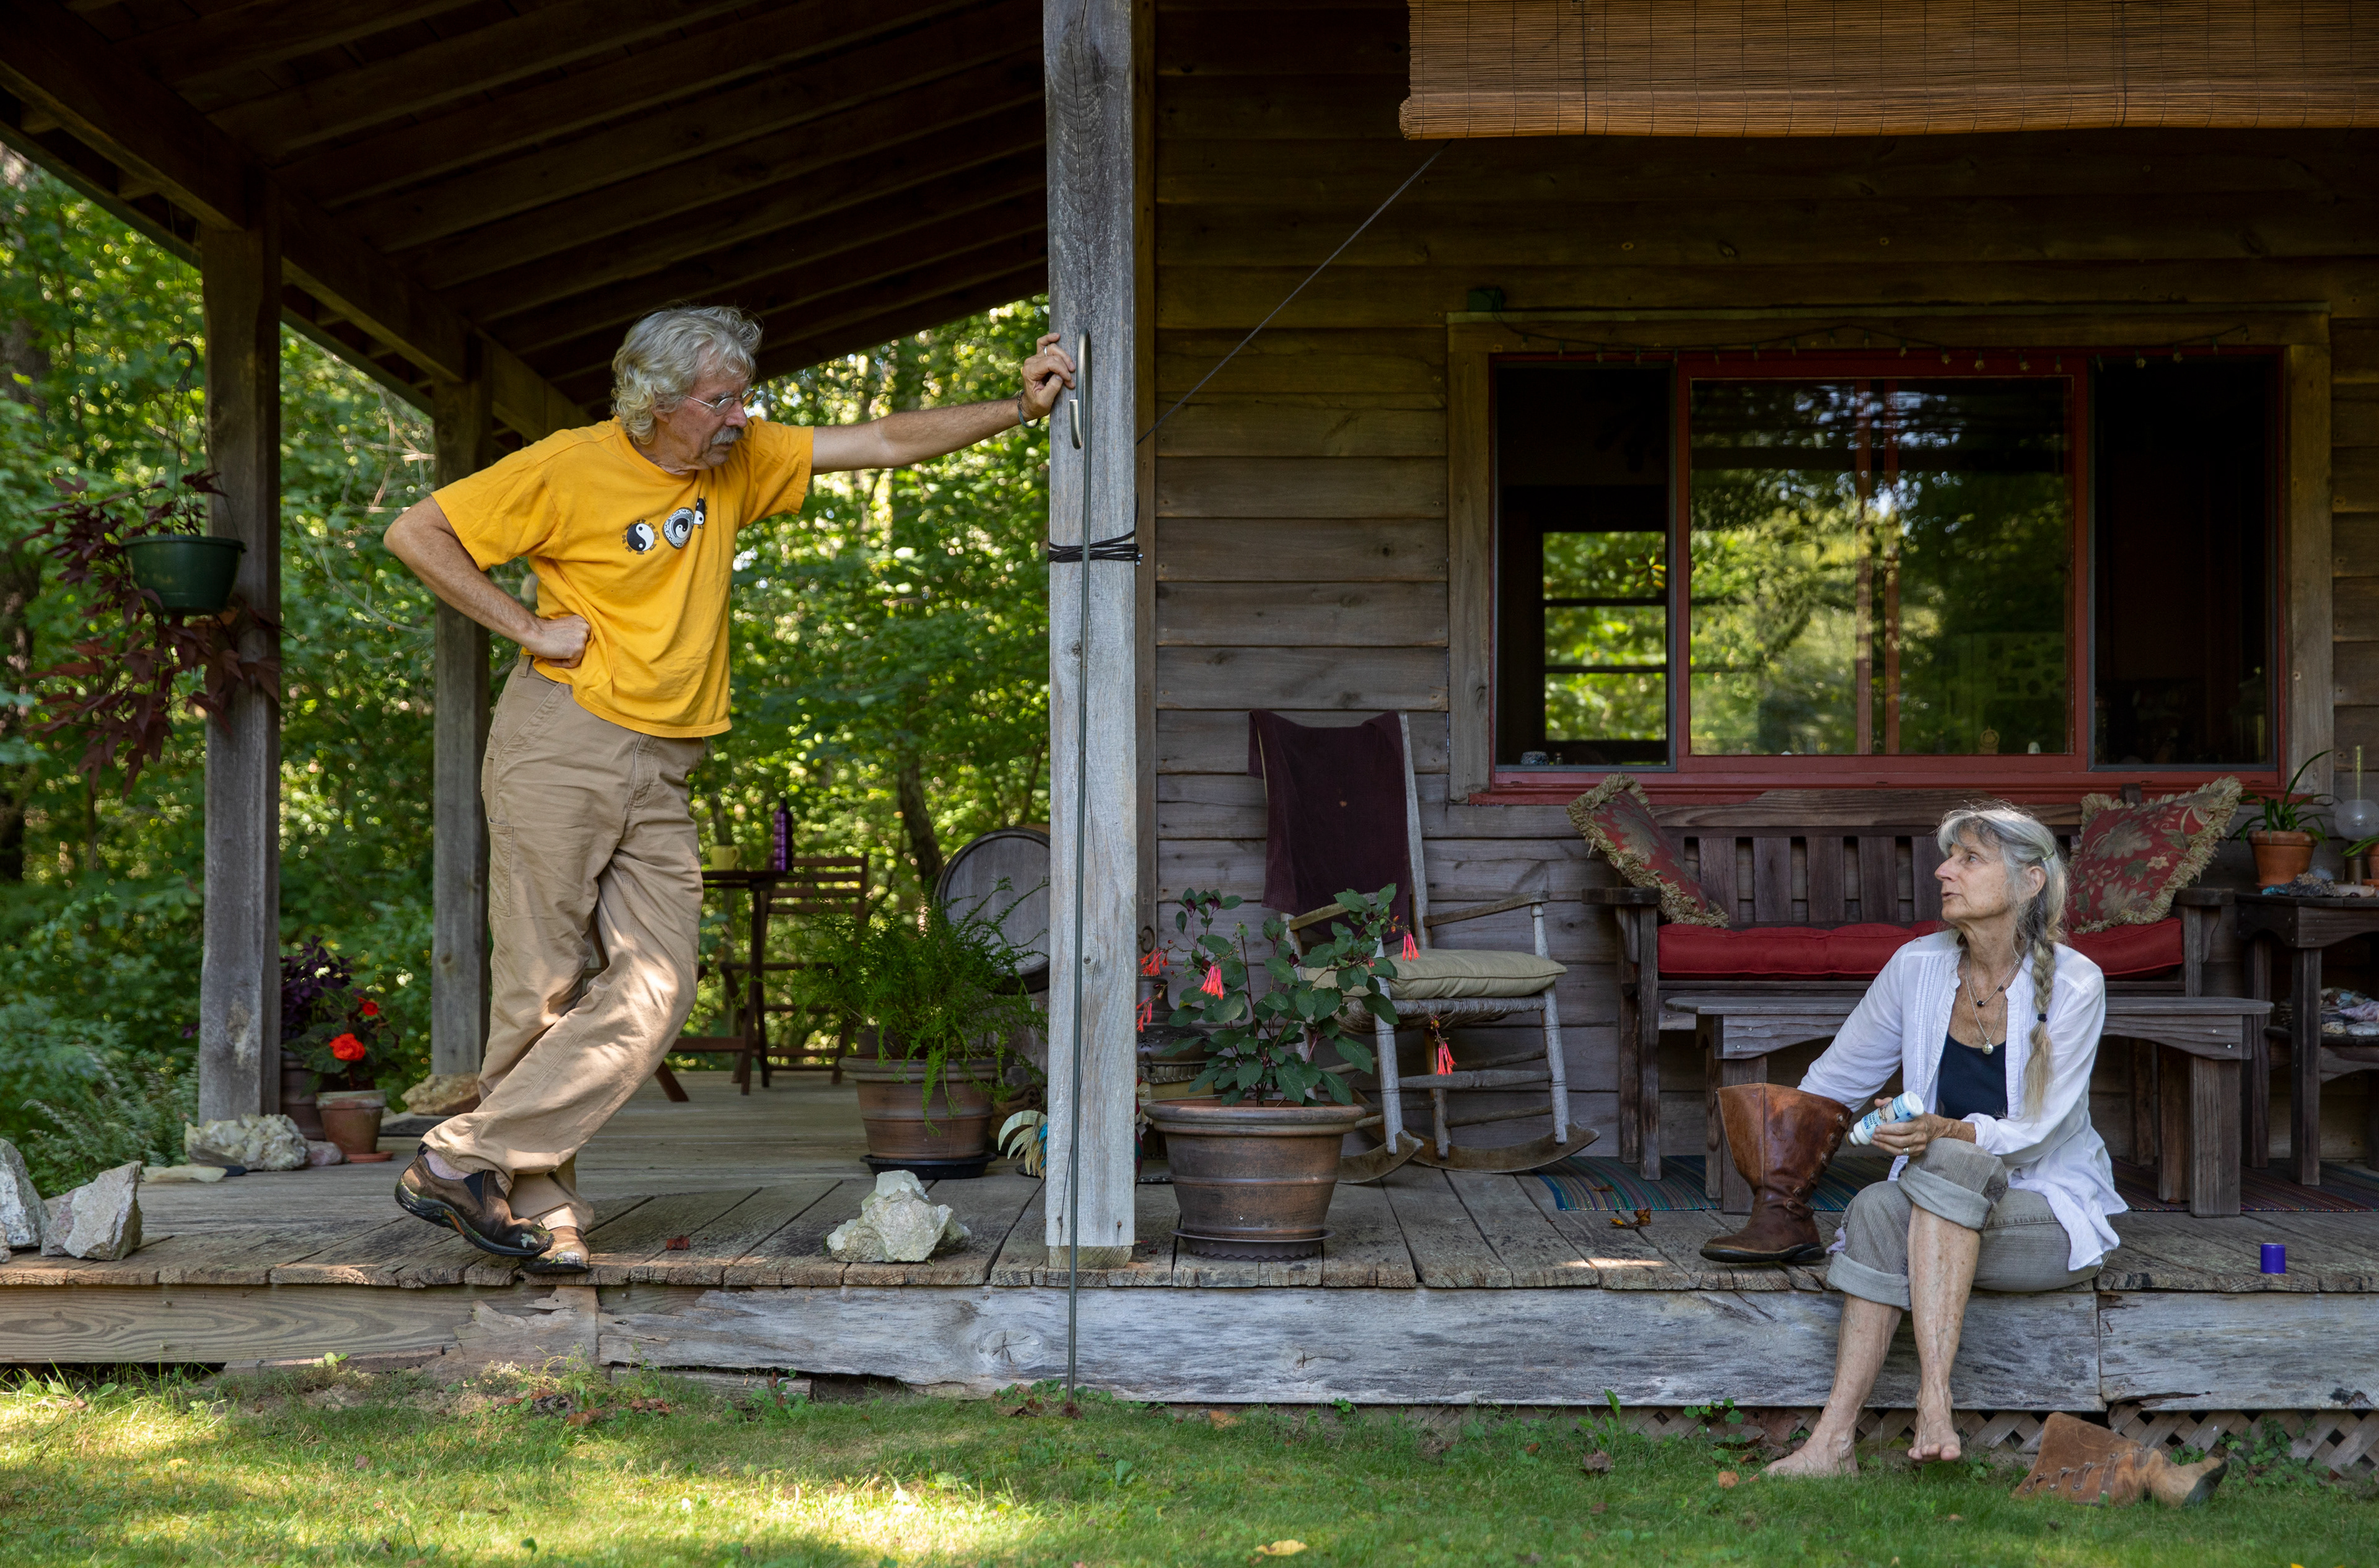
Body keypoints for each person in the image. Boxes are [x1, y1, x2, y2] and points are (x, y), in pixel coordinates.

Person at [381, 305, 1075, 1271]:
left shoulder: (739, 458)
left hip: (664, 760)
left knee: (660, 987)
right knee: (539, 985)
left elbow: (879, 440)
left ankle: (461, 1157)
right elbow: (417, 532)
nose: (742, 415)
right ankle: (531, 1199)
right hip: (561, 742)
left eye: (744, 396)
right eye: (723, 400)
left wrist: (1015, 406)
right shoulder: (566, 464)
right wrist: (529, 630)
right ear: (658, 404)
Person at [1697, 802, 2120, 1474]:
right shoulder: (1916, 966)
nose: (1943, 870)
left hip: (2045, 1216)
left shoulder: (2075, 982)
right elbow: (1834, 1081)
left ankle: (1933, 1397)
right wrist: (1781, 1182)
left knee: (1950, 1156)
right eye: (1950, 856)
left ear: (2031, 880)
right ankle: (1831, 1442)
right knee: (1870, 1206)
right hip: (1936, 1213)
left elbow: (2039, 1130)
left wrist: (1937, 1130)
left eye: (1969, 859)